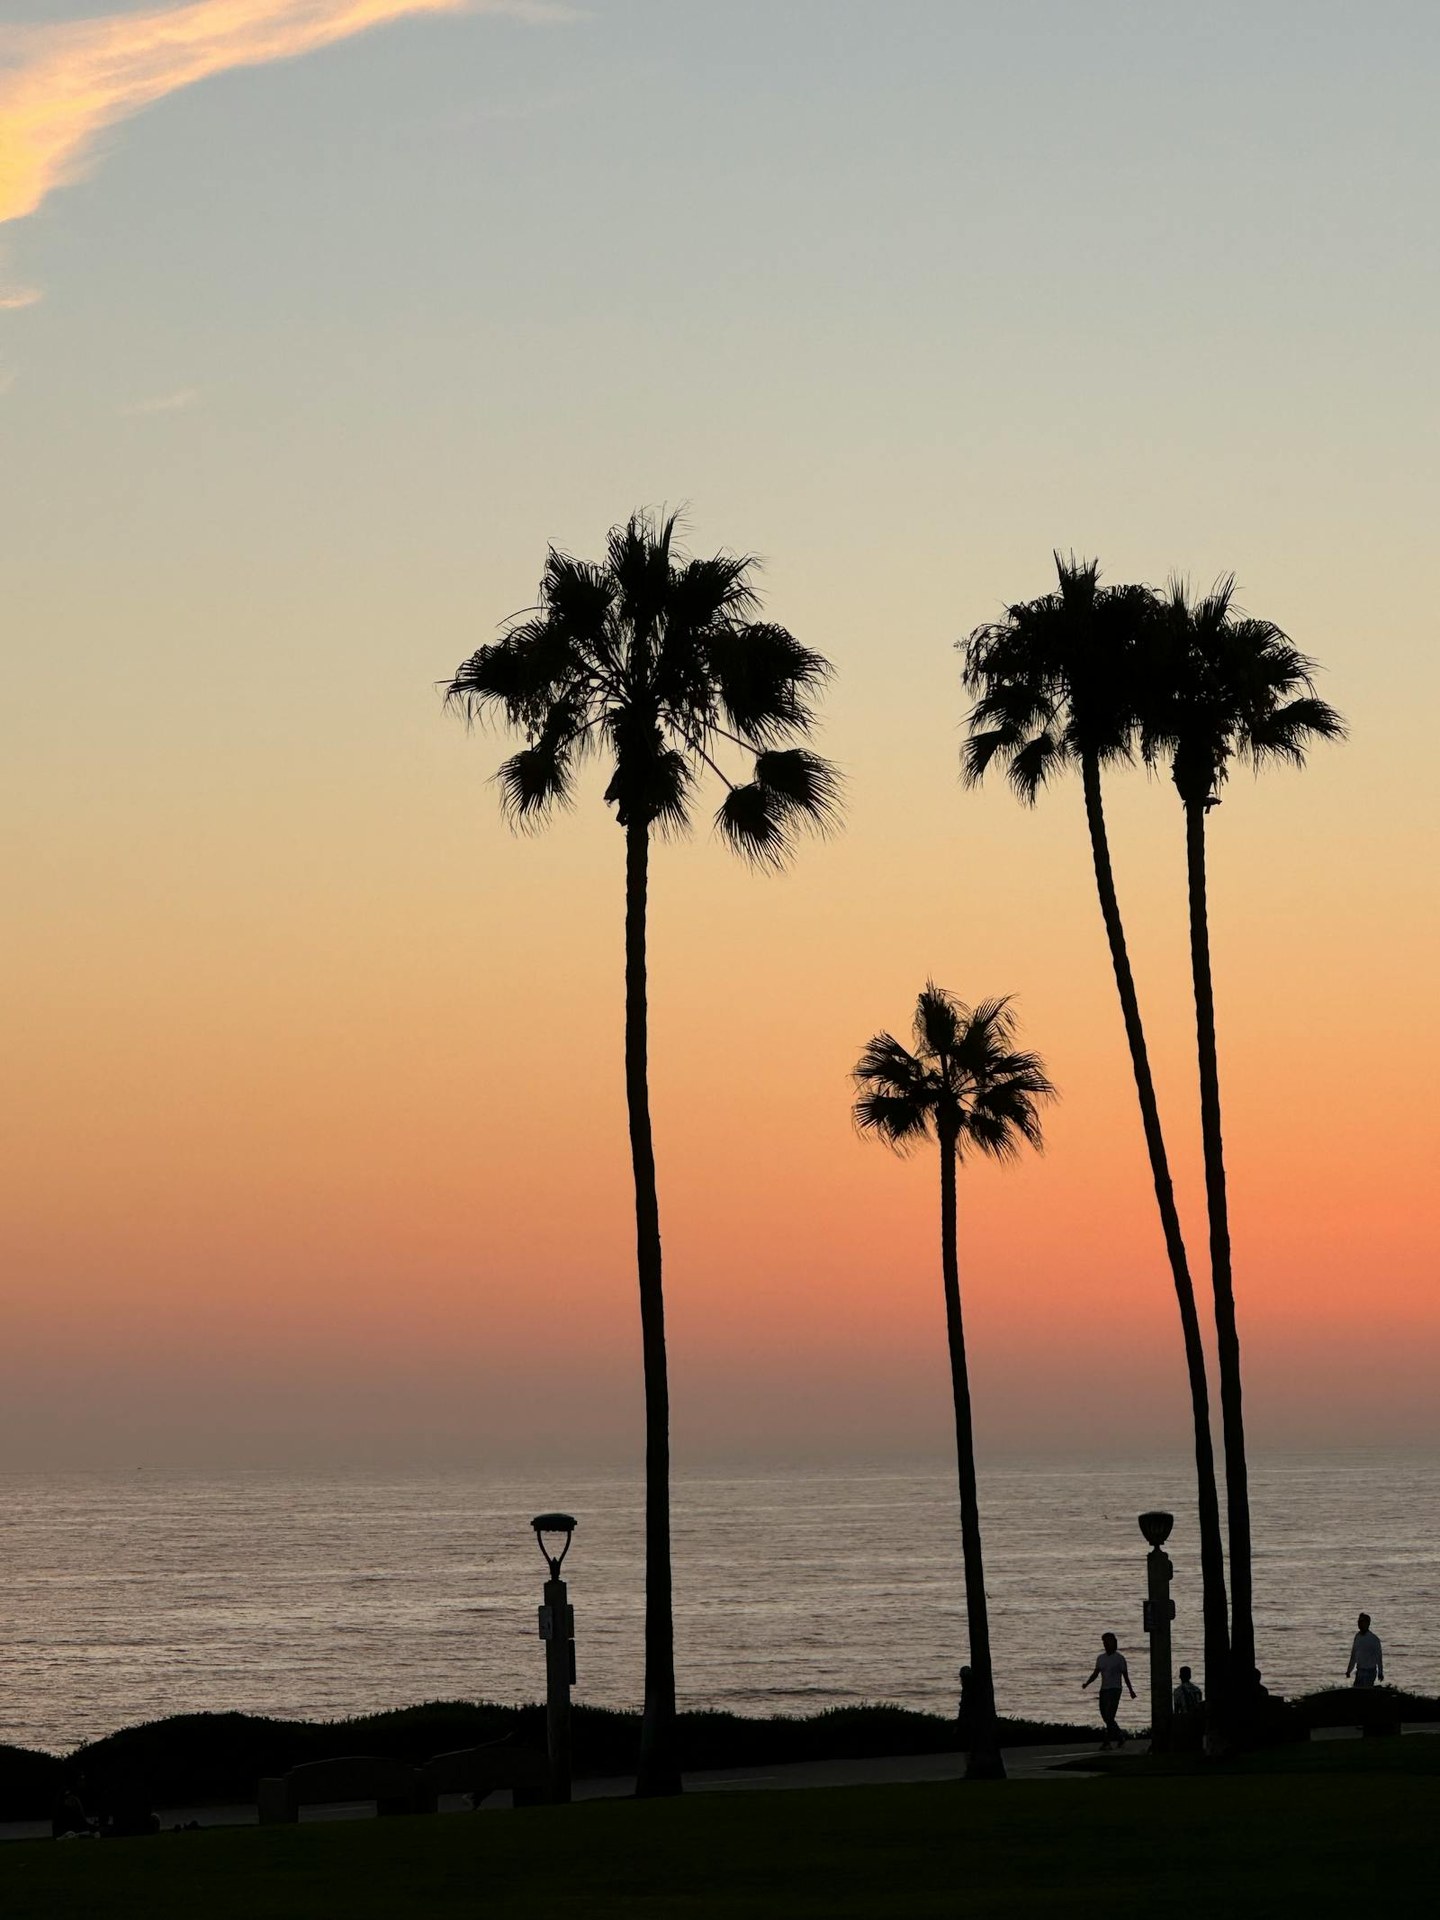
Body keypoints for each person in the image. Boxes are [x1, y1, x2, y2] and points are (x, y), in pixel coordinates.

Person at [1082, 1632, 1136, 1750]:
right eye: (1105, 1642)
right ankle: (1120, 1736)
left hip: (1115, 1689)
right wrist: (1087, 1683)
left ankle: (1106, 1742)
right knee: (1105, 1716)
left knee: (1110, 1716)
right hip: (1104, 1690)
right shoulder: (1101, 1658)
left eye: (1110, 1641)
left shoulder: (1119, 1659)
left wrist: (1131, 1690)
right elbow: (1096, 1674)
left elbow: (1125, 1676)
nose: (1107, 1644)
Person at [1346, 1613, 1384, 1688]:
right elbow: (1353, 1656)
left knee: (1366, 1691)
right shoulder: (1357, 1637)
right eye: (1359, 1622)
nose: (1359, 1624)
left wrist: (1380, 1672)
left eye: (1362, 1622)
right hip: (1360, 1671)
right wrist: (1349, 1670)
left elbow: (1379, 1657)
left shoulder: (1373, 1639)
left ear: (1368, 1623)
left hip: (1370, 1671)